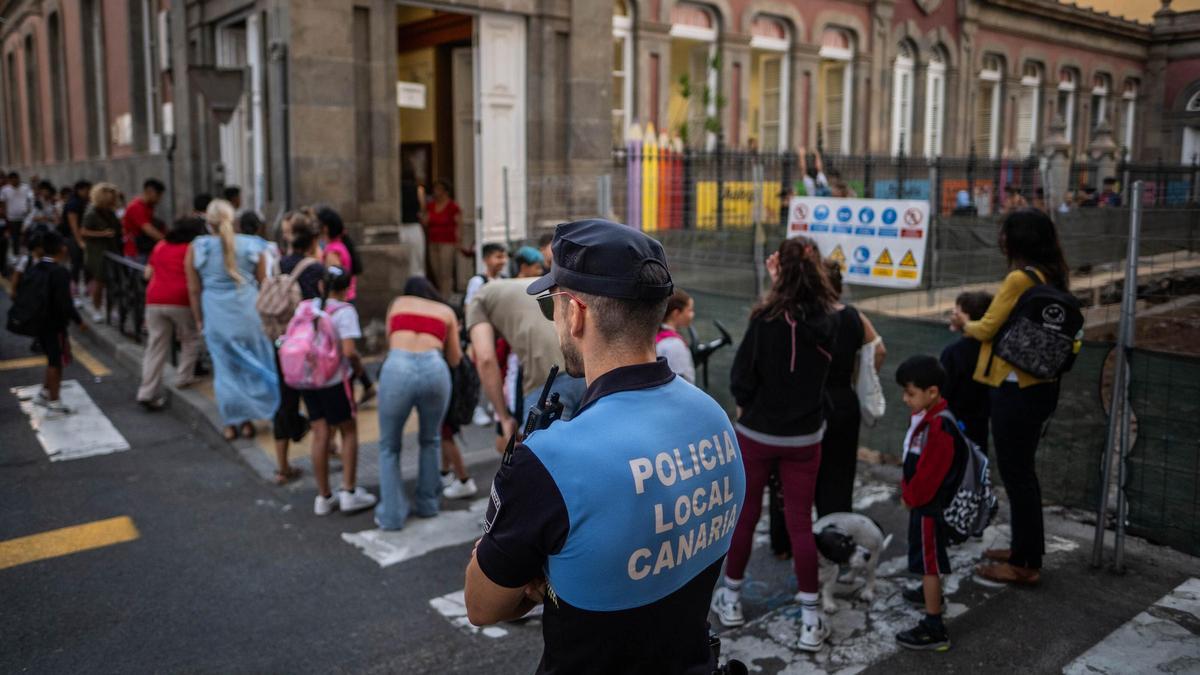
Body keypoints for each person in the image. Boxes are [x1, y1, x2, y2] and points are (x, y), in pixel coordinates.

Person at [463, 219, 746, 674]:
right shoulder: (714, 418)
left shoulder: (551, 460)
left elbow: (482, 604)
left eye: (551, 306)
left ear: (575, 313)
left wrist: (545, 574)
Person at [714, 236, 840, 651]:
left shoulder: (764, 318)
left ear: (779, 272)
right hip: (805, 436)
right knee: (800, 523)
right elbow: (812, 312)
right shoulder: (831, 318)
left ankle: (730, 600)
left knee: (746, 516)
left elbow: (741, 378)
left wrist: (746, 408)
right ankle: (809, 621)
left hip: (758, 434)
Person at [965, 209, 1069, 586]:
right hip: (1041, 386)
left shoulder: (1018, 278)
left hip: (1014, 388)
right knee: (1023, 473)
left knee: (1018, 475)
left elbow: (987, 327)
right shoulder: (1052, 275)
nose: (1001, 239)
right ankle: (1025, 549)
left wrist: (964, 324)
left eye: (1005, 233)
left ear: (1018, 240)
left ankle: (1025, 563)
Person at [185, 199, 281, 441]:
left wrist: (198, 319)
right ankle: (259, 415)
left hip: (216, 314)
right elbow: (263, 285)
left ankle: (233, 421)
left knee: (225, 370)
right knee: (255, 363)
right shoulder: (253, 246)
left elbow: (193, 289)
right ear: (233, 220)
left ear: (209, 222)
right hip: (249, 312)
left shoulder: (198, 248)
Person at [376, 276, 462, 529]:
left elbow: (389, 339)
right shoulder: (445, 311)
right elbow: (455, 359)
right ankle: (428, 504)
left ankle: (391, 516)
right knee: (431, 439)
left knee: (389, 447)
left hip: (397, 368)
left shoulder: (398, 303)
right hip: (434, 368)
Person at [466, 276, 586, 452]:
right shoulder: (535, 281)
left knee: (541, 459)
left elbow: (485, 359)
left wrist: (503, 417)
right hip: (584, 367)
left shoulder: (478, 300)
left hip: (546, 380)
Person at [894, 355, 963, 652]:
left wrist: (911, 497)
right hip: (923, 507)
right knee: (925, 558)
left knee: (929, 564)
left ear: (932, 392)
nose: (904, 399)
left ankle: (934, 626)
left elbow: (930, 475)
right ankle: (927, 594)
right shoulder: (928, 418)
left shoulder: (939, 428)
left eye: (910, 393)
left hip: (929, 509)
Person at [814, 260, 886, 518]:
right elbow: (879, 349)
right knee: (841, 470)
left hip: (812, 401)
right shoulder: (853, 315)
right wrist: (861, 378)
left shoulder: (806, 315)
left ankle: (795, 538)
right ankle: (837, 529)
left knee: (807, 468)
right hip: (844, 398)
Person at [304, 267, 378, 516]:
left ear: (322, 287)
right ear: (346, 289)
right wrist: (359, 369)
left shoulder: (307, 306)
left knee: (320, 433)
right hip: (335, 380)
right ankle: (348, 492)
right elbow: (348, 351)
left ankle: (323, 497)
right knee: (348, 431)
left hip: (307, 380)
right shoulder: (345, 312)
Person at [271, 216, 324, 485]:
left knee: (286, 400)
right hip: (308, 345)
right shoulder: (315, 268)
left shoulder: (279, 263)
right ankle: (327, 454)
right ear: (313, 241)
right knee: (318, 400)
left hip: (282, 342)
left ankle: (282, 467)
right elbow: (320, 308)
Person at [136, 217, 205, 411]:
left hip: (154, 298)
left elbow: (147, 274)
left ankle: (146, 391)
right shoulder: (192, 249)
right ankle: (183, 377)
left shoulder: (160, 245)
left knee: (156, 346)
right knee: (190, 338)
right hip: (180, 299)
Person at [24, 231, 86, 415]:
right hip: (54, 323)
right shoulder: (59, 272)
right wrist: (78, 320)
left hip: (39, 321)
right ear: (61, 248)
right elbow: (65, 302)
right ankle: (54, 401)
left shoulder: (37, 267)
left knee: (52, 357)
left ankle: (44, 392)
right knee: (55, 361)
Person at [315, 206, 371, 402]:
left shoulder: (332, 251)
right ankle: (365, 383)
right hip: (346, 299)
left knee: (342, 349)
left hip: (340, 302)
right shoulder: (340, 245)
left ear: (325, 228)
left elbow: (333, 279)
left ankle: (357, 382)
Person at [940, 291, 994, 453]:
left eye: (957, 311)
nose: (952, 314)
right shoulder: (993, 349)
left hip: (954, 422)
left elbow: (943, 391)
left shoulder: (954, 352)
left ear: (967, 318)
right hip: (980, 422)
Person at [80, 183, 123, 322]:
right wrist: (102, 233)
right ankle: (96, 309)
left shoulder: (109, 212)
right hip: (96, 252)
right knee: (99, 281)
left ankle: (111, 308)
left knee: (113, 282)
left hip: (111, 249)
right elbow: (84, 231)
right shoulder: (91, 213)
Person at [420, 178, 463, 296]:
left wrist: (459, 240)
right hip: (433, 241)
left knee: (446, 270)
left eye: (438, 189)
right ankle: (441, 293)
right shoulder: (431, 206)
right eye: (435, 189)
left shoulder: (452, 206)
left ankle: (446, 296)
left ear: (446, 191)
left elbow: (459, 224)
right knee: (436, 270)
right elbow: (426, 221)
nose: (435, 192)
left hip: (448, 241)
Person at [656, 288, 696, 383]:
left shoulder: (657, 336)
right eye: (689, 310)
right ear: (676, 313)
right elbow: (681, 381)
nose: (692, 314)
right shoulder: (673, 345)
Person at [61, 181, 92, 300]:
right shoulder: (73, 203)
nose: (88, 193)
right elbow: (74, 225)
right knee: (76, 265)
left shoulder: (84, 202)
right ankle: (74, 292)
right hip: (74, 238)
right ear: (80, 190)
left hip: (83, 237)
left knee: (87, 265)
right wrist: (79, 242)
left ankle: (87, 289)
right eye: (87, 190)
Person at [122, 179, 165, 261]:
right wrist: (167, 241)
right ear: (150, 192)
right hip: (135, 252)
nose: (159, 199)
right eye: (158, 195)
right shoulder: (137, 207)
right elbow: (148, 229)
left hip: (144, 249)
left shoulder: (148, 207)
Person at [464, 242, 507, 307]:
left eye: (504, 257)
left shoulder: (505, 280)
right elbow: (469, 306)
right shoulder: (478, 281)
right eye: (499, 257)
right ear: (486, 259)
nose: (503, 261)